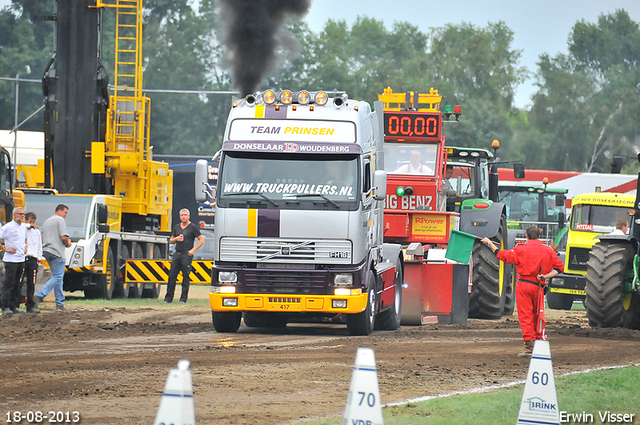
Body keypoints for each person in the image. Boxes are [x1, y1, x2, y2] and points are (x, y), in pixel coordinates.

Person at [481, 226, 564, 358]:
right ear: (539, 236)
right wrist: (545, 276)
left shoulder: (520, 249)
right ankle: (539, 344)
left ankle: (529, 348)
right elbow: (560, 268)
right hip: (539, 286)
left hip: (524, 286)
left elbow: (503, 256)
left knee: (526, 317)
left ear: (527, 236)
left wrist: (490, 244)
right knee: (538, 315)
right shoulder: (548, 250)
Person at [34, 204, 72, 311]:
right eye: (65, 212)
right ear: (59, 211)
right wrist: (68, 243)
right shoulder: (60, 220)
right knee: (58, 277)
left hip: (46, 251)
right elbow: (64, 236)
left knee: (57, 278)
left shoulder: (47, 221)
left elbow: (42, 238)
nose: (66, 215)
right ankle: (40, 295)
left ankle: (60, 303)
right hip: (57, 252)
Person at [164, 208, 205, 304]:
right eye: (182, 215)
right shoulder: (177, 227)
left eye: (185, 215)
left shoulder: (193, 227)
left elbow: (201, 240)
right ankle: (168, 298)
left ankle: (183, 299)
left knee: (185, 277)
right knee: (172, 276)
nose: (183, 217)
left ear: (189, 216)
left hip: (186, 254)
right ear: (180, 216)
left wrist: (192, 250)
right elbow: (171, 240)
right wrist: (176, 239)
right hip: (177, 253)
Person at [0, 207, 27, 316]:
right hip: (11, 260)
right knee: (9, 283)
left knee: (18, 283)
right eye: (20, 214)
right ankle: (5, 306)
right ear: (14, 215)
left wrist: (26, 246)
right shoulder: (8, 227)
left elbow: (25, 237)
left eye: (23, 214)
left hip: (21, 259)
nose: (22, 216)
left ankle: (14, 306)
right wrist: (5, 248)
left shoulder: (23, 227)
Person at [23, 211, 43, 314]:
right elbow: (24, 226)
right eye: (30, 221)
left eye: (33, 221)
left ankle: (30, 305)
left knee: (32, 283)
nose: (32, 223)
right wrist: (28, 225)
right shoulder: (23, 229)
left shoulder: (36, 232)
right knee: (19, 281)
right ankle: (14, 304)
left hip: (33, 258)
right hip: (23, 257)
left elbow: (39, 245)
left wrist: (39, 257)